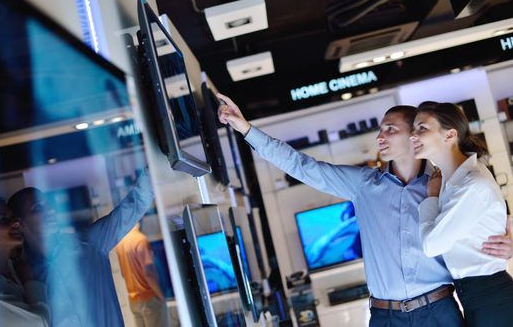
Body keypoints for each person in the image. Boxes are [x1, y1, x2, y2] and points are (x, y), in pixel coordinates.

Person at [216, 93, 513, 327]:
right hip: (385, 316)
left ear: (414, 137)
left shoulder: (445, 185)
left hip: (439, 312)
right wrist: (245, 128)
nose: (379, 136)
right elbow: (301, 166)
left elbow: (485, 211)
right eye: (381, 129)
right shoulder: (363, 184)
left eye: (390, 129)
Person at [6, 168, 154, 327]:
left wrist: (154, 165)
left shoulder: (90, 243)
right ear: (18, 224)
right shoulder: (21, 275)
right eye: (37, 208)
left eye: (48, 204)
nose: (49, 210)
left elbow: (135, 204)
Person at [410, 101, 513, 326]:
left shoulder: (471, 184)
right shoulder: (451, 178)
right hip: (477, 297)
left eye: (422, 128)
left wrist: (431, 199)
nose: (413, 135)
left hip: (492, 299)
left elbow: (432, 245)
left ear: (450, 135)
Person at [0, 196, 49, 326]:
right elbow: (39, 323)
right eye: (3, 220)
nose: (16, 223)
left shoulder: (16, 264)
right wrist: (30, 282)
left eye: (13, 217)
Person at [116, 223, 169, 327]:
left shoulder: (120, 242)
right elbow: (148, 272)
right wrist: (161, 296)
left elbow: (123, 273)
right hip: (149, 299)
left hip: (133, 302)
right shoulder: (140, 240)